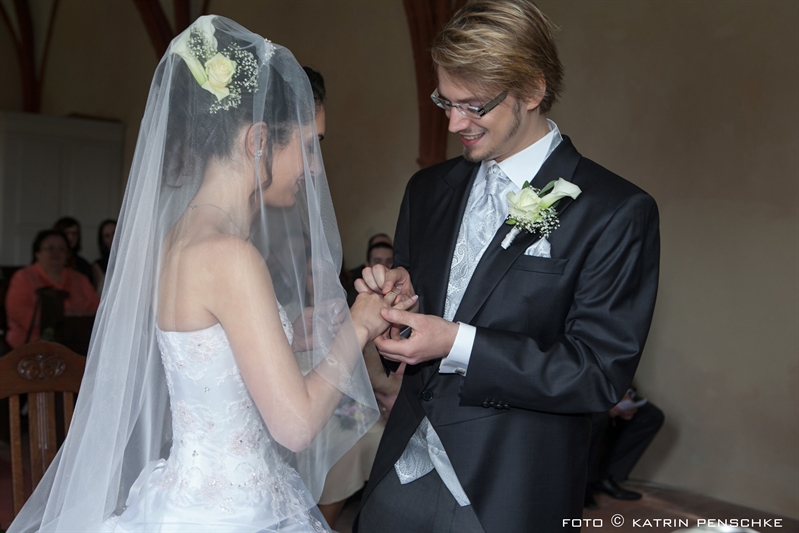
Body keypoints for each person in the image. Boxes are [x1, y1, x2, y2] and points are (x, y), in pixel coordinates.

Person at [8, 16, 413, 533]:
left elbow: (221, 363)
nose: (314, 169)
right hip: (238, 514)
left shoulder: (181, 237)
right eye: (310, 147)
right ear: (259, 140)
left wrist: (307, 327)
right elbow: (295, 425)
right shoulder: (230, 256)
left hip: (188, 497)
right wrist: (359, 325)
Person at [355, 2, 660, 532]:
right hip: (398, 474)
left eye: (474, 106)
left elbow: (596, 373)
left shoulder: (614, 210)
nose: (454, 124)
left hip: (509, 491)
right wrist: (401, 298)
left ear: (533, 90)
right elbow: (429, 302)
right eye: (444, 102)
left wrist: (456, 343)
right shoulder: (426, 190)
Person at [4, 230, 99, 349]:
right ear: (37, 253)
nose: (56, 253)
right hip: (29, 346)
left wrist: (77, 317)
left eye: (62, 249)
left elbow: (99, 310)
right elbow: (18, 312)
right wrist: (61, 318)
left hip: (76, 345)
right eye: (50, 248)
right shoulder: (23, 277)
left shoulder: (80, 279)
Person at [584, 390, 665, 508]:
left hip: (608, 390)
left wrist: (623, 392)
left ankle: (606, 477)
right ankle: (584, 484)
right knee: (599, 417)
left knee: (651, 416)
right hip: (580, 392)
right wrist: (605, 400)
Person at [53, 217, 93, 281]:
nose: (70, 237)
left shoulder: (83, 265)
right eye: (67, 233)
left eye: (74, 234)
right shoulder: (48, 260)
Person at [91, 219, 116, 294]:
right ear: (103, 241)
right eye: (107, 236)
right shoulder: (98, 265)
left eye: (115, 233)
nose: (113, 238)